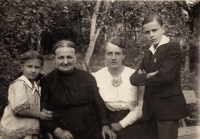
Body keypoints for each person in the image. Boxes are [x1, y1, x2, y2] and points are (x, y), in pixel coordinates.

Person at [40, 40, 116, 139]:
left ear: (76, 57)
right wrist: (57, 131)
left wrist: (105, 126)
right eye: (61, 58)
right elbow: (43, 112)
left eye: (69, 57)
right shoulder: (47, 81)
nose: (65, 62)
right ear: (55, 59)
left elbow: (98, 103)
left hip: (91, 129)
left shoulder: (87, 77)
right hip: (64, 132)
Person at [130, 14, 189, 139]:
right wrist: (150, 75)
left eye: (154, 30)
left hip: (168, 110)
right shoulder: (149, 53)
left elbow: (166, 76)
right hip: (150, 111)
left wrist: (144, 77)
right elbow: (133, 78)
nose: (151, 35)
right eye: (147, 32)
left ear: (164, 29)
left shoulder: (172, 47)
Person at [92, 37, 150, 139]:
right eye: (109, 53)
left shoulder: (135, 75)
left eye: (117, 53)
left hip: (133, 122)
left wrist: (121, 124)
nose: (113, 58)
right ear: (105, 55)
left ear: (123, 55)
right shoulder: (96, 77)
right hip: (106, 121)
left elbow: (140, 108)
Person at [0, 50, 53, 139]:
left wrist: (43, 112)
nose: (33, 70)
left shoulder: (36, 86)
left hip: (29, 131)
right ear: (22, 67)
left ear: (41, 69)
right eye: (29, 66)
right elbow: (19, 109)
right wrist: (40, 115)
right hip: (16, 131)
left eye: (37, 67)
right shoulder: (19, 84)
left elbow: (33, 106)